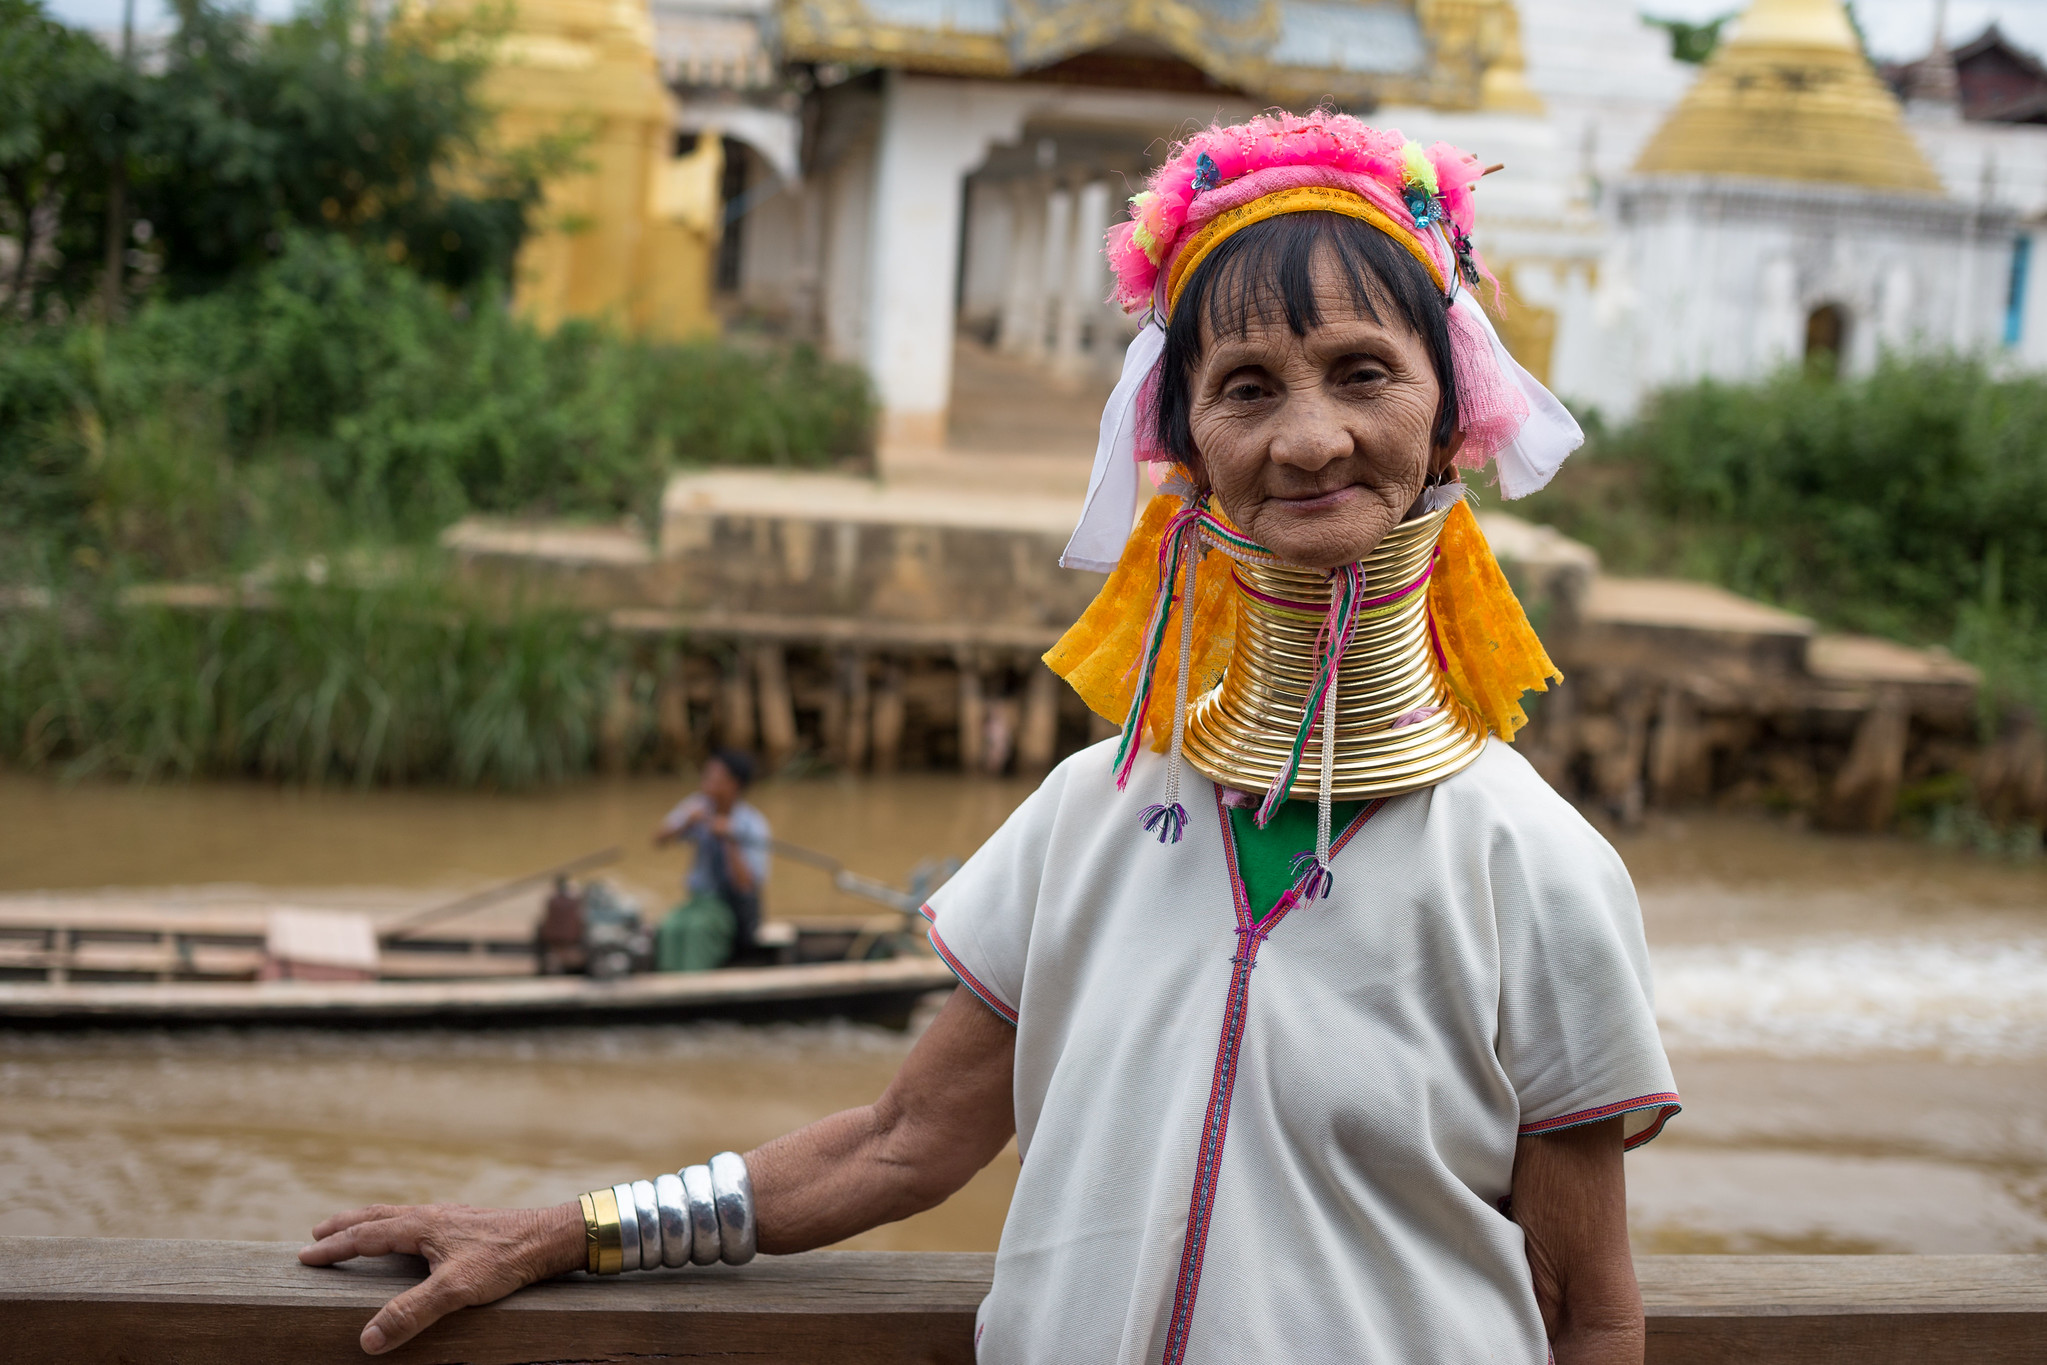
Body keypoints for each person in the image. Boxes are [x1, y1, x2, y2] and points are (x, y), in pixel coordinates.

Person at [300, 112, 1678, 1365]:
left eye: (1362, 372)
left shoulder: (1531, 861)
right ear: (1185, 447)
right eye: (1245, 387)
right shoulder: (1093, 810)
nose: (1309, 437)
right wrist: (560, 1230)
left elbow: (1586, 1305)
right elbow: (900, 1144)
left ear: (1447, 420)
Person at [651, 749, 770, 969]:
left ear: (733, 784)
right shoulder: (698, 807)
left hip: (728, 909)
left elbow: (746, 885)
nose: (705, 782)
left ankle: (690, 991)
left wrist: (730, 841)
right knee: (669, 927)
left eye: (713, 777)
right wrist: (686, 823)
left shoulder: (752, 824)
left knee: (698, 929)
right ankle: (667, 989)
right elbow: (658, 840)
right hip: (697, 901)